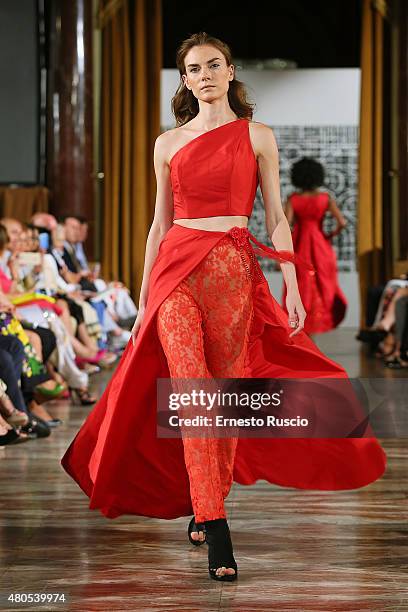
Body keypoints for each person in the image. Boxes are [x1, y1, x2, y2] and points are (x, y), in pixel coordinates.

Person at [61, 32, 386, 582]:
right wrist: (144, 298)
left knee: (225, 398)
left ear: (230, 71)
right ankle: (215, 522)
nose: (204, 74)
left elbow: (277, 216)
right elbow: (159, 224)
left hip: (234, 272)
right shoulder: (167, 143)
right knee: (192, 393)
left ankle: (204, 495)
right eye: (193, 68)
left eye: (214, 65)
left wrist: (291, 282)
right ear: (184, 79)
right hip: (175, 273)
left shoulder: (257, 135)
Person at [283, 157, 348, 334]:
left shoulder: (293, 199)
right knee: (322, 283)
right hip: (320, 244)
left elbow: (286, 225)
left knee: (301, 282)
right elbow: (342, 222)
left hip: (300, 244)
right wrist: (328, 236)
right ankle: (320, 321)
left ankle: (302, 324)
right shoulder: (325, 198)